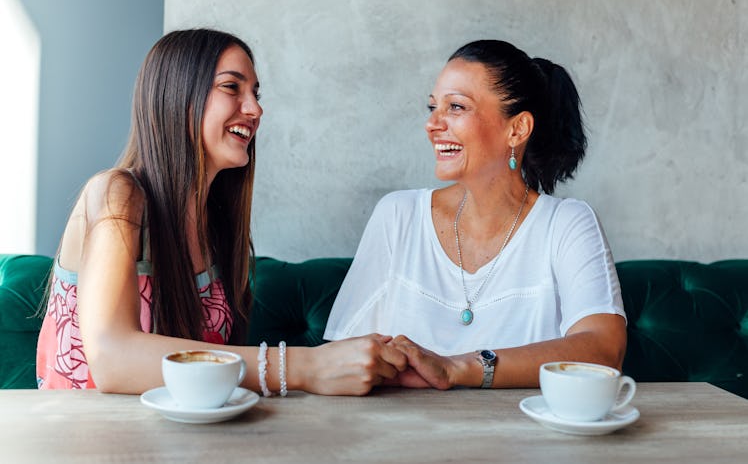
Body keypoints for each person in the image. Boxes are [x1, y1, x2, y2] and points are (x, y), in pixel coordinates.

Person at [36, 28, 407, 396]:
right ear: (178, 96)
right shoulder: (117, 193)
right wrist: (303, 366)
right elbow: (111, 359)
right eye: (232, 87)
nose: (255, 109)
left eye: (256, 93)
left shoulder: (217, 226)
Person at [324, 40, 627, 389]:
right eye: (432, 106)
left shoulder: (568, 224)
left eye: (455, 107)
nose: (432, 124)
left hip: (525, 440)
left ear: (517, 129)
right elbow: (340, 360)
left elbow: (604, 350)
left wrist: (457, 368)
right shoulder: (398, 216)